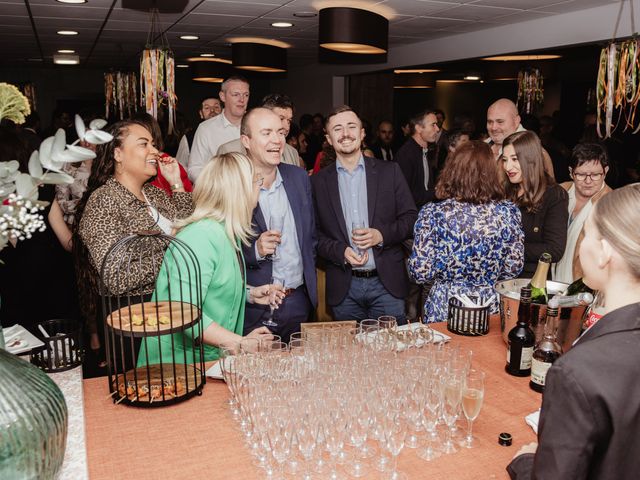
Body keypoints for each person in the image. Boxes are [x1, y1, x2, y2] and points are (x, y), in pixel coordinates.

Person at [507, 183, 640, 479]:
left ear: (604, 252)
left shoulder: (579, 371)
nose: (580, 246)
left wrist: (526, 462)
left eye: (586, 235)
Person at [139, 153, 280, 363]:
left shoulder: (223, 231)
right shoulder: (200, 236)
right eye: (256, 182)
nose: (259, 188)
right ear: (239, 191)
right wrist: (241, 342)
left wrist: (249, 294)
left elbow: (210, 288)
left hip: (205, 360)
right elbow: (184, 312)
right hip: (176, 368)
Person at [75, 120, 192, 370]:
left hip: (171, 307)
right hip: (132, 320)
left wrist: (176, 184)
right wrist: (172, 255)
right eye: (144, 144)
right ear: (117, 154)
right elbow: (114, 276)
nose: (155, 151)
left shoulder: (157, 194)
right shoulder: (104, 202)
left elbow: (191, 231)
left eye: (153, 144)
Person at [312, 105, 417, 323]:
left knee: (391, 353)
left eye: (351, 127)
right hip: (344, 288)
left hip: (386, 284)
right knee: (348, 356)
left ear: (362, 133)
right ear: (329, 139)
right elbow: (313, 236)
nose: (345, 134)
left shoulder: (390, 171)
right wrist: (340, 251)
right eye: (337, 129)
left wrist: (382, 236)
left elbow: (411, 218)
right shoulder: (317, 182)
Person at [409, 141, 524, 322]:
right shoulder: (509, 212)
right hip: (488, 307)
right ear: (491, 173)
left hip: (445, 307)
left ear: (453, 171)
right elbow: (513, 269)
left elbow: (420, 271)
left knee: (445, 351)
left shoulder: (433, 213)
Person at [240, 108, 317, 343]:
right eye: (266, 133)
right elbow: (222, 249)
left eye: (281, 132)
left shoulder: (298, 177)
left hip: (297, 301)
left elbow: (310, 236)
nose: (277, 140)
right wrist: (256, 251)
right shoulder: (235, 184)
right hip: (254, 306)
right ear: (246, 141)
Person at [501, 131, 568, 278]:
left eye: (514, 159)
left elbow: (554, 250)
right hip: (499, 279)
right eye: (505, 160)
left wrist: (507, 249)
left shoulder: (554, 195)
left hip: (530, 283)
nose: (507, 166)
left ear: (530, 160)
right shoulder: (504, 190)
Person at [553, 143, 612, 283]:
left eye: (596, 175)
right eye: (580, 174)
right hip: (550, 282)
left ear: (606, 171)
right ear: (570, 172)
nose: (588, 181)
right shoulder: (559, 192)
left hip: (585, 289)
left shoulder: (611, 204)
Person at [188, 76, 250, 182]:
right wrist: (217, 186)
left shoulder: (257, 126)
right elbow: (194, 169)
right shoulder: (206, 129)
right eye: (236, 94)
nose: (242, 100)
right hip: (218, 194)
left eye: (246, 95)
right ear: (222, 96)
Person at [217, 93, 303, 168]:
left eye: (289, 121)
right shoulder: (229, 151)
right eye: (280, 119)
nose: (286, 127)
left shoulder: (292, 153)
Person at [486, 98, 555, 178]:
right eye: (490, 122)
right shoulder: (484, 145)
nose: (494, 127)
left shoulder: (535, 151)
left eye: (500, 122)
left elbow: (547, 188)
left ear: (516, 121)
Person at [396, 109, 440, 208]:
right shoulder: (406, 154)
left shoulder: (423, 151)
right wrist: (436, 193)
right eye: (433, 125)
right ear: (419, 128)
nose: (437, 129)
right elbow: (405, 195)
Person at [175, 96, 221, 168]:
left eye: (216, 107)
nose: (212, 110)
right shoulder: (189, 138)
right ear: (201, 114)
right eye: (207, 108)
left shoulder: (233, 131)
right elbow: (181, 167)